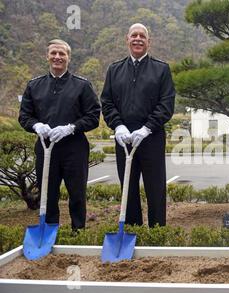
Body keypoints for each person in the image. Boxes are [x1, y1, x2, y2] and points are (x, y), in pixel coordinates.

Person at [18, 39, 101, 231]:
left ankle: (78, 232)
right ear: (47, 56)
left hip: (75, 148)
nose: (57, 57)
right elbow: (24, 116)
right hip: (46, 149)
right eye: (53, 53)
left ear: (68, 58)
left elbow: (93, 116)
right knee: (47, 194)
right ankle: (49, 232)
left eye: (62, 54)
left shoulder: (82, 86)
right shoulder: (34, 85)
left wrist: (71, 127)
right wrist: (36, 125)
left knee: (77, 194)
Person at [101, 23, 175, 227]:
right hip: (124, 140)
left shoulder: (161, 69)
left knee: (156, 188)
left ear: (148, 42)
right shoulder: (114, 70)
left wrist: (147, 128)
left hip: (151, 138)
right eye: (134, 35)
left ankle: (157, 232)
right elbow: (106, 102)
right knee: (128, 187)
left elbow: (166, 104)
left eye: (142, 36)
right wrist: (118, 126)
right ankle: (133, 232)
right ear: (127, 39)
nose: (138, 39)